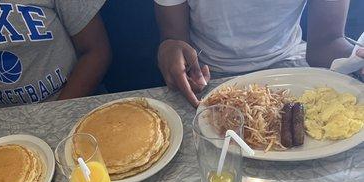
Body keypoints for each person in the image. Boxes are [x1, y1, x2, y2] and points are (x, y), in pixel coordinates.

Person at [154, 0, 364, 106]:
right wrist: (170, 50)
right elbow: (173, 38)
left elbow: (327, 44)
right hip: (210, 77)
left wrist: (357, 58)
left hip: (292, 70)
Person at [0, 0, 111, 109]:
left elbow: (96, 52)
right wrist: (5, 124)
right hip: (10, 123)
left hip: (74, 103)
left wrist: (53, 114)